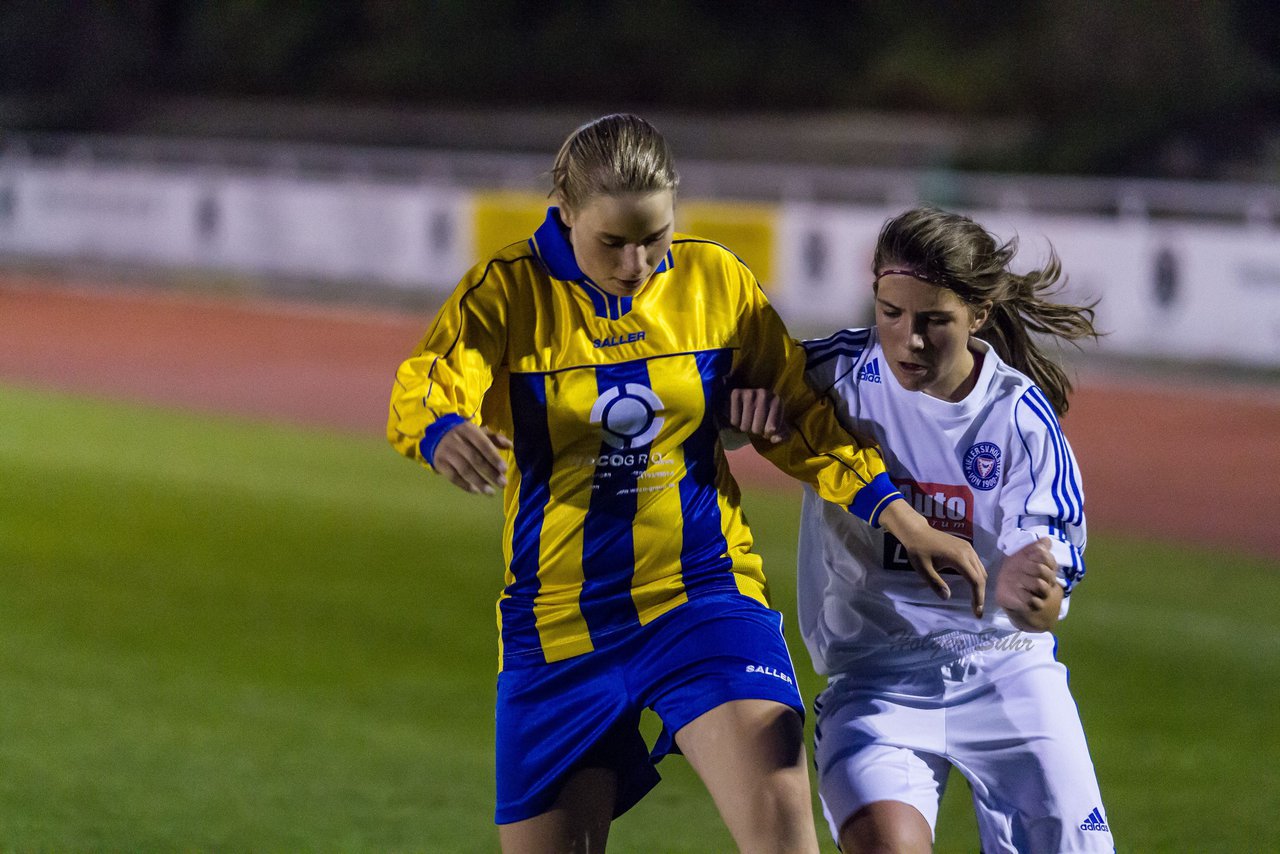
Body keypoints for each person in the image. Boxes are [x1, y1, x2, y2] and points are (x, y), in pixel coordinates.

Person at [387, 116, 984, 853]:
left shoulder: (716, 283)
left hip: (701, 594)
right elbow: (425, 385)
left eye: (656, 236)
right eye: (614, 242)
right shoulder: (507, 292)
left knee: (782, 831)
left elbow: (801, 415)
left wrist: (899, 514)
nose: (639, 263)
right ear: (565, 212)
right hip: (556, 625)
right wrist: (443, 430)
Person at [730, 206, 1112, 853]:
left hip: (1006, 673)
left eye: (934, 321)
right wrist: (742, 409)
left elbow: (1047, 585)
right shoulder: (832, 375)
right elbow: (717, 415)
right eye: (890, 312)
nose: (908, 339)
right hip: (877, 687)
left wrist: (1035, 595)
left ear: (979, 315)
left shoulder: (1019, 418)